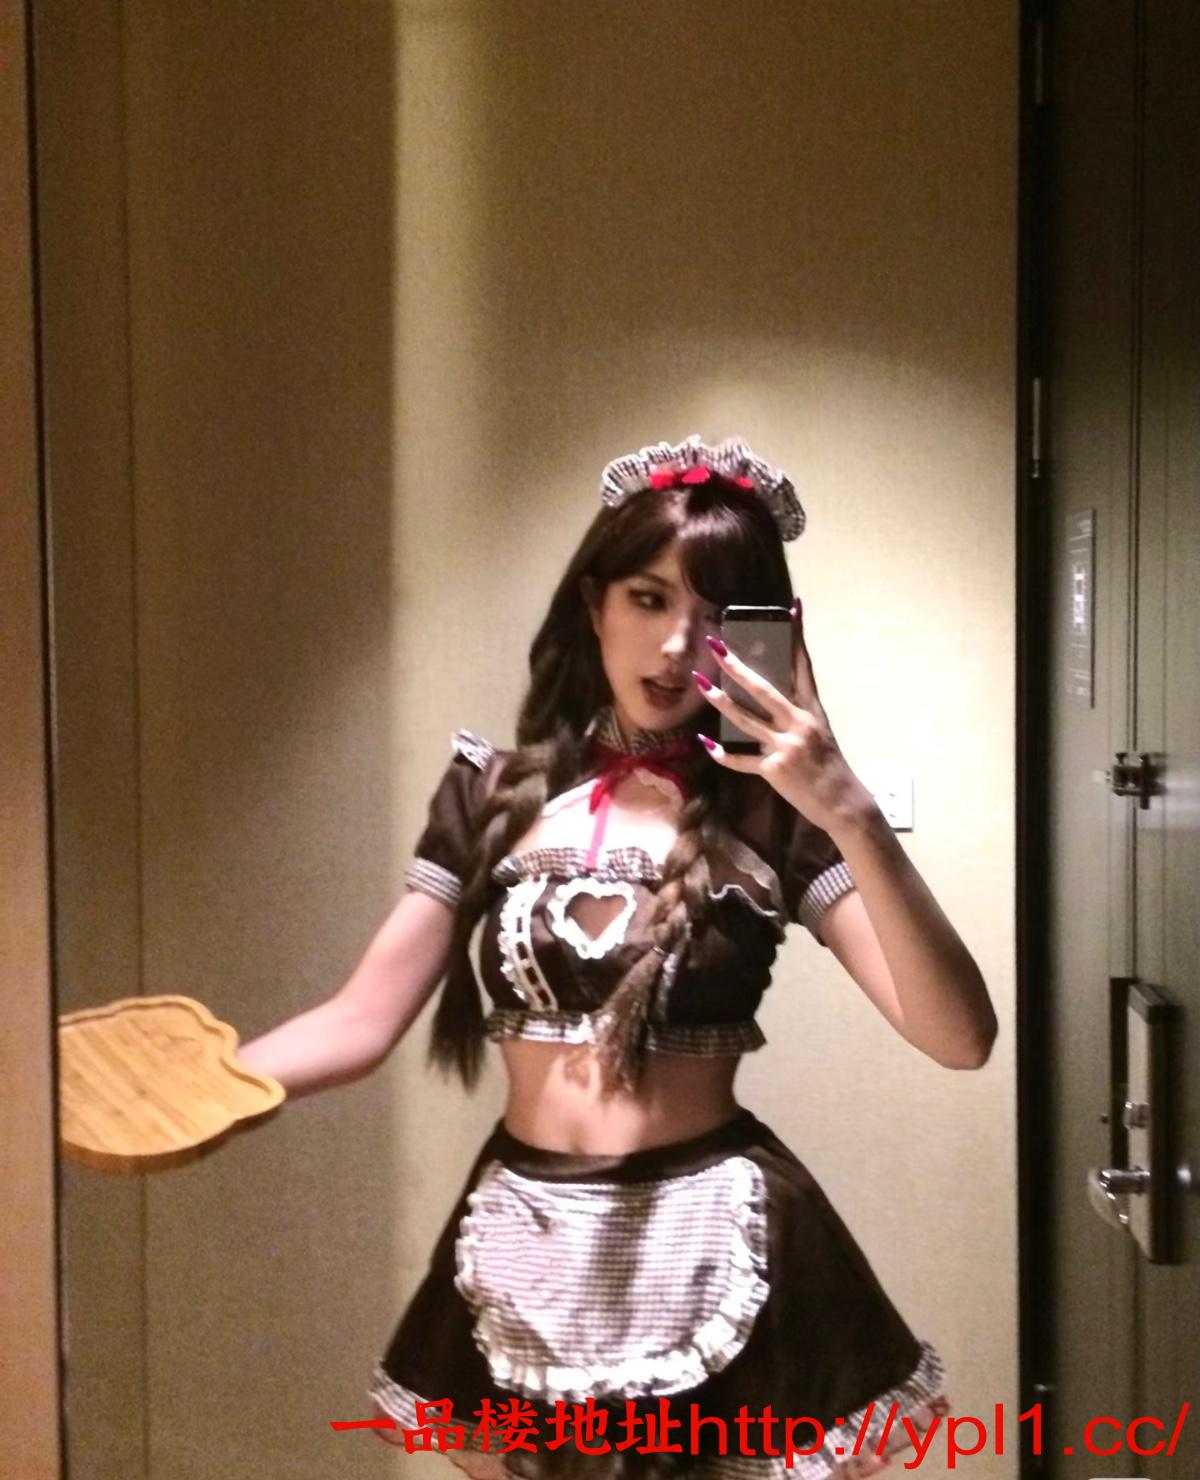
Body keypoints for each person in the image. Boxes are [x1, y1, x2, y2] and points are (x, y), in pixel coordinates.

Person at [238, 434, 997, 1479]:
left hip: (721, 1241)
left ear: (767, 639)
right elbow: (360, 1020)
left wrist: (850, 808)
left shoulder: (779, 818)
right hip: (529, 1234)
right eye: (648, 598)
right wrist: (208, 1087)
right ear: (593, 603)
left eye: (718, 616)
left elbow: (959, 1038)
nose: (678, 644)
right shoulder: (489, 795)